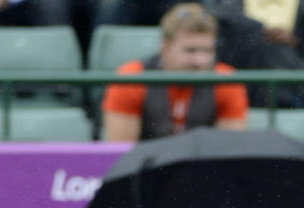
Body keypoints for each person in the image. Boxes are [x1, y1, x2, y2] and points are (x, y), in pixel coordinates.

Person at [101, 2, 249, 141]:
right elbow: (119, 154)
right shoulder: (131, 77)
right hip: (145, 167)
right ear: (165, 46)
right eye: (190, 51)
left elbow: (228, 153)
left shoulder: (226, 80)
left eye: (207, 51)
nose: (200, 61)